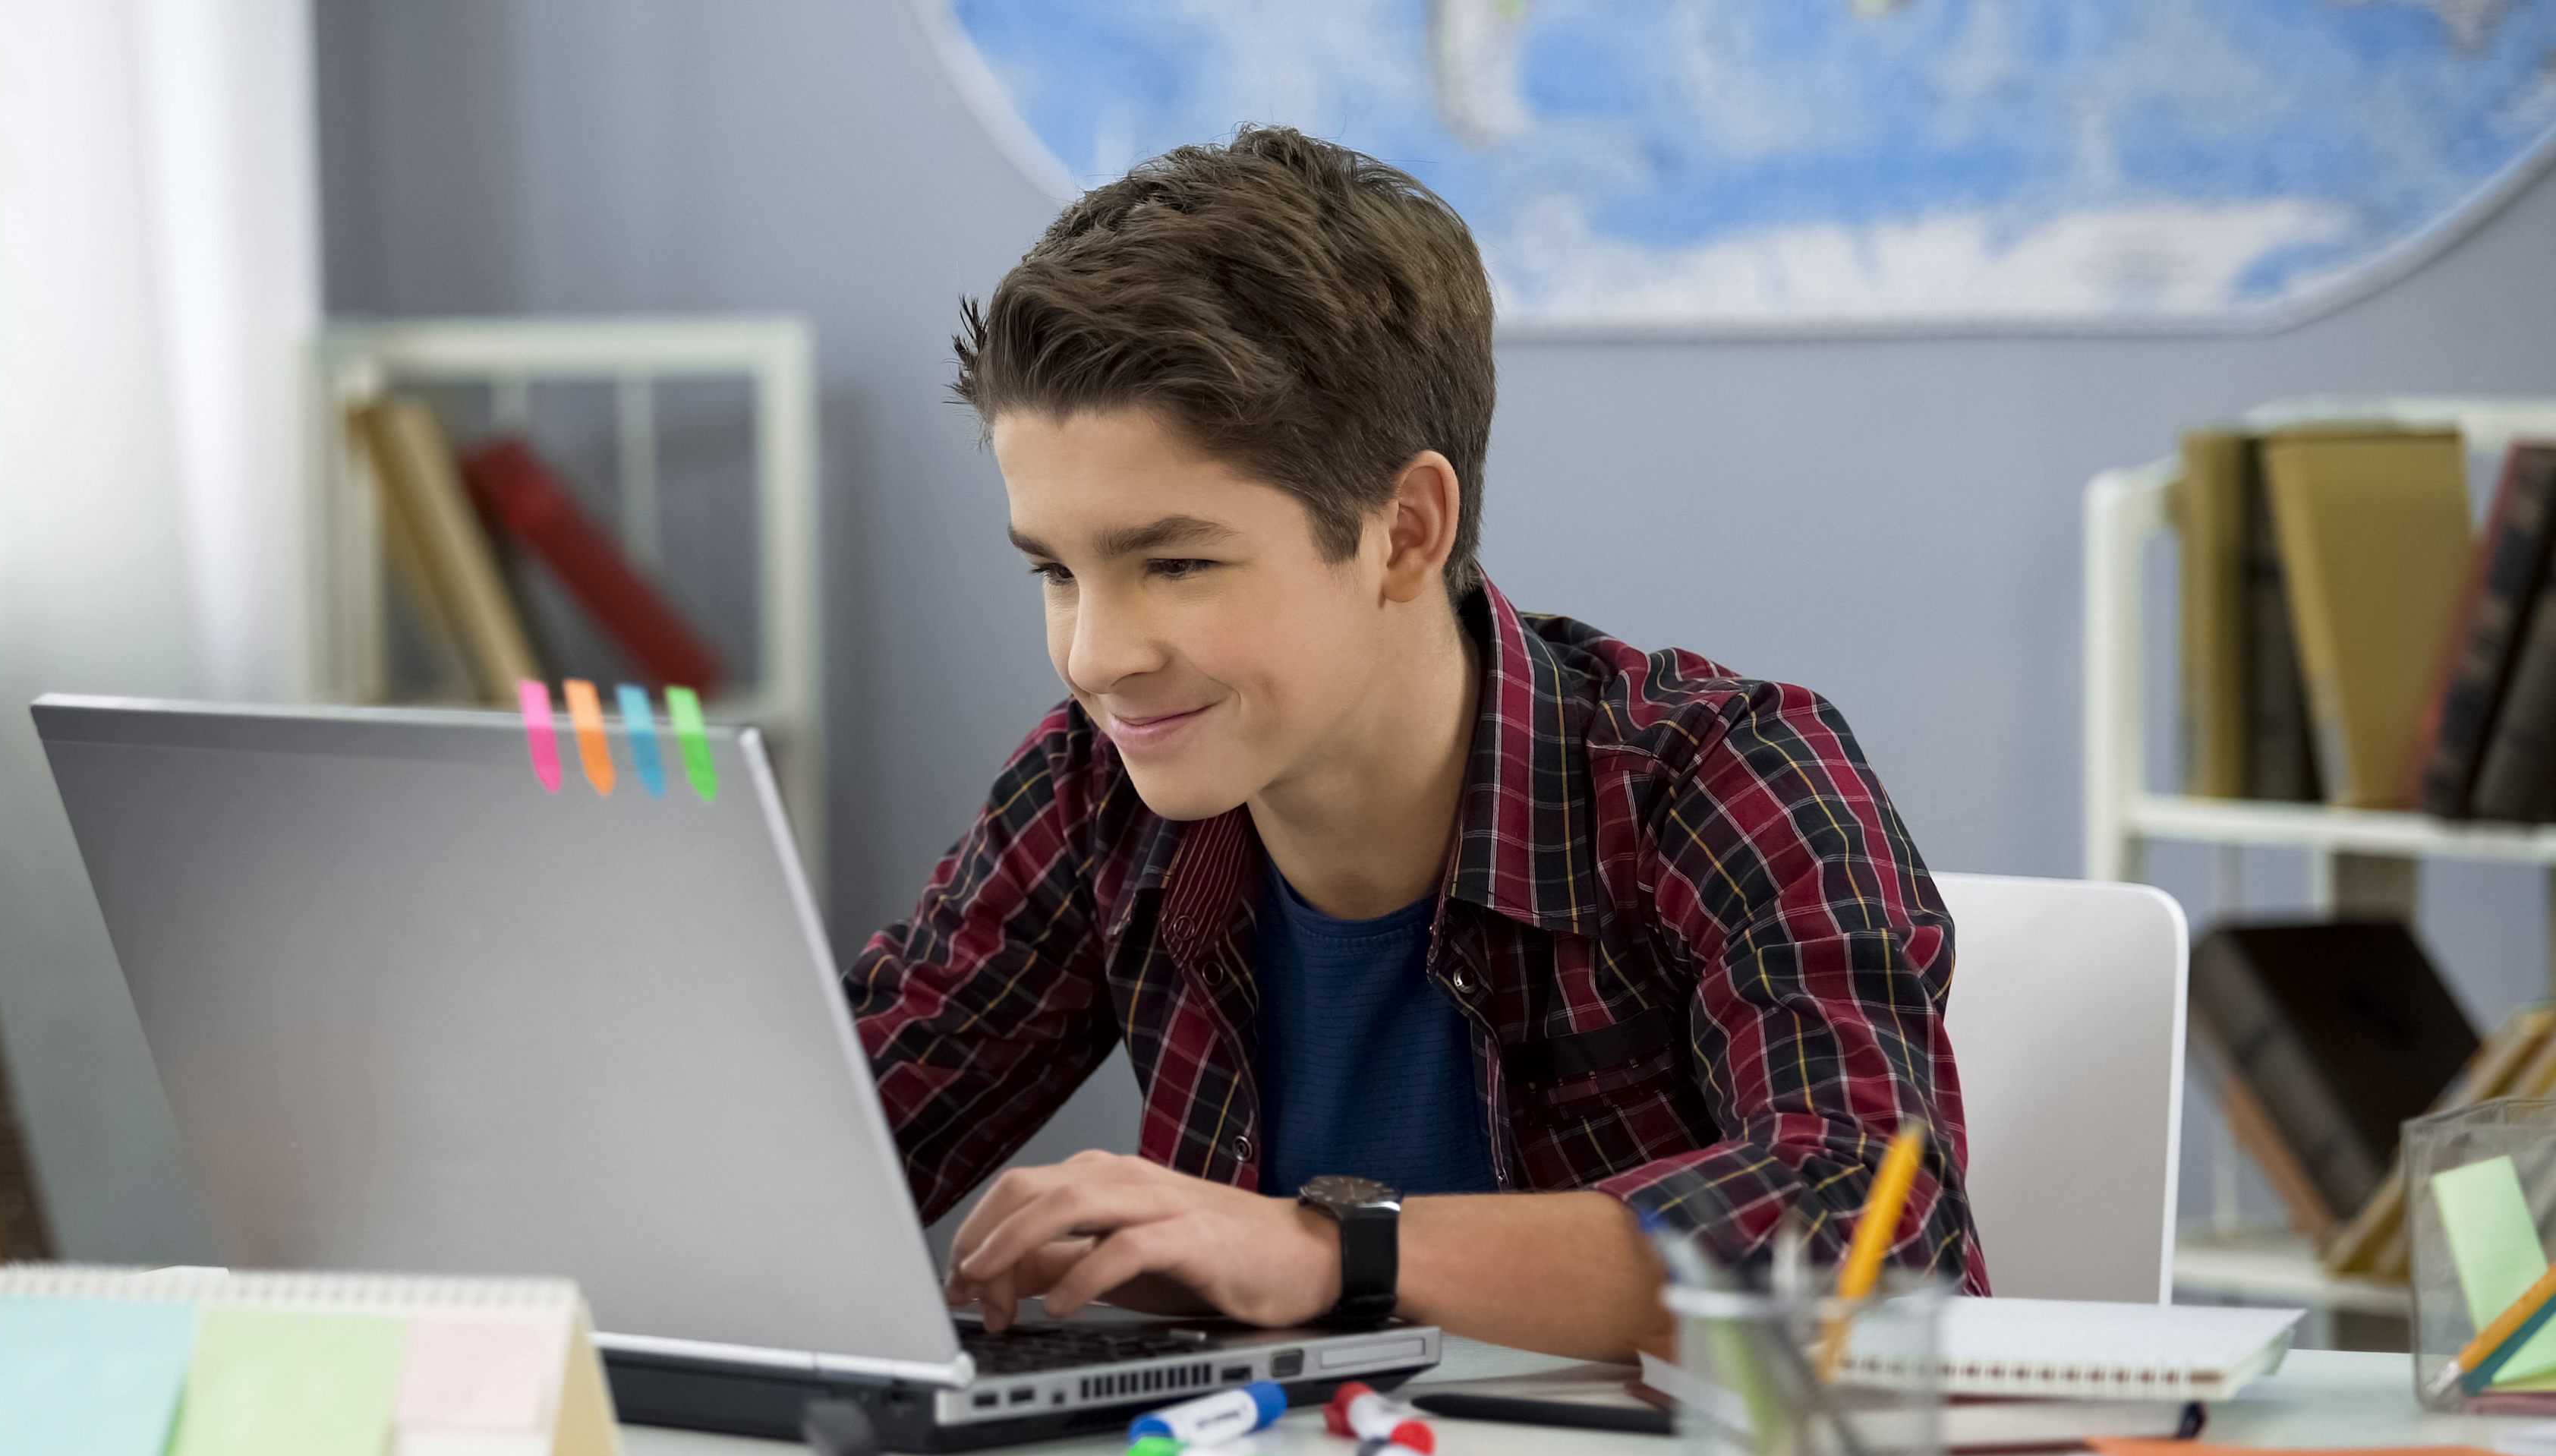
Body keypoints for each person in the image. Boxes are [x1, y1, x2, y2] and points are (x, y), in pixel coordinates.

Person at [845, 127, 1982, 1362]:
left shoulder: (1720, 775)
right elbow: (821, 1147)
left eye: (1175, 563)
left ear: (1404, 531)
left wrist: (1328, 1249)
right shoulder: (1093, 790)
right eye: (1056, 572)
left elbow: (1875, 1230)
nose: (1095, 656)